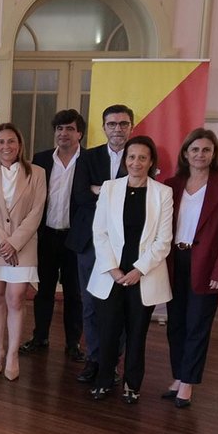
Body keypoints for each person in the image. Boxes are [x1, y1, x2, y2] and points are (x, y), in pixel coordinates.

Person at [87, 136, 173, 404]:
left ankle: (132, 385)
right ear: (125, 160)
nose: (136, 162)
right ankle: (104, 380)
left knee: (137, 333)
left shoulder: (163, 193)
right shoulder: (110, 188)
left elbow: (163, 240)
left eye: (142, 158)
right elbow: (99, 232)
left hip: (143, 275)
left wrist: (138, 270)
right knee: (108, 331)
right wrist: (113, 269)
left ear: (151, 162)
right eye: (132, 157)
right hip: (111, 274)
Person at [161, 129, 218, 408]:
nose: (200, 155)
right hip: (174, 261)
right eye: (194, 149)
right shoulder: (171, 185)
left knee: (197, 324)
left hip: (206, 264)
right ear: (185, 153)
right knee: (175, 324)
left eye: (206, 150)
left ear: (214, 154)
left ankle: (188, 382)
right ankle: (178, 375)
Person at [0, 123, 46, 382]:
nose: (6, 146)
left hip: (22, 246)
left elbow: (36, 211)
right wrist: (3, 243)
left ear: (20, 144)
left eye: (11, 141)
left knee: (16, 298)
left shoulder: (37, 173)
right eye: (1, 142)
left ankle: (13, 354)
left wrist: (14, 243)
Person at [71, 104, 134, 384]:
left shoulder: (138, 155)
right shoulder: (88, 157)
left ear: (131, 126)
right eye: (112, 124)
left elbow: (139, 199)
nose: (117, 129)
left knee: (118, 305)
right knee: (90, 304)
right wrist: (117, 191)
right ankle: (94, 358)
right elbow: (80, 195)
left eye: (123, 124)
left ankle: (112, 360)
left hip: (125, 243)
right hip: (89, 242)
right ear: (104, 127)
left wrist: (101, 188)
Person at [23, 109, 86, 361]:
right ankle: (40, 337)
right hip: (46, 235)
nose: (63, 133)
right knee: (44, 290)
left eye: (69, 128)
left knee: (74, 293)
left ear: (79, 133)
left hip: (75, 238)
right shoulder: (41, 159)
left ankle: (73, 343)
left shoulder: (90, 160)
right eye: (59, 128)